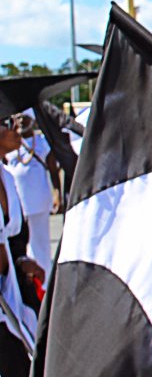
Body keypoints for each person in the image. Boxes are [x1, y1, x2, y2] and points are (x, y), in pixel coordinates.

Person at [0, 116, 44, 377]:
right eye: (5, 124)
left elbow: (14, 238)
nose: (15, 131)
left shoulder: (6, 176)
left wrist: (21, 261)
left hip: (10, 292)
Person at [3, 112, 58, 285]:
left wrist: (57, 192)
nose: (16, 126)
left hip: (38, 201)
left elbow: (53, 170)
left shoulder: (41, 143)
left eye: (20, 120)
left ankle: (45, 283)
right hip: (21, 203)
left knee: (40, 242)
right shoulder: (9, 155)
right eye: (10, 122)